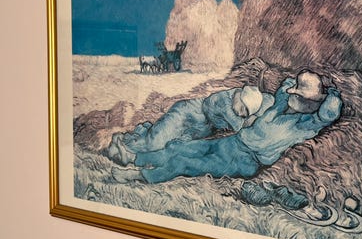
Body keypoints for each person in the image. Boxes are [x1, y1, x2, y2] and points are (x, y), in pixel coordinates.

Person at [112, 70, 343, 184]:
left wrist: (329, 93)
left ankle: (140, 176)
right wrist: (299, 88)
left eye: (303, 99)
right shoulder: (280, 104)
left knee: (184, 162)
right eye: (298, 95)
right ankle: (136, 158)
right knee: (177, 148)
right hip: (234, 142)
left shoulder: (304, 125)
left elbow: (329, 114)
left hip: (246, 160)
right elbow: (285, 86)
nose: (297, 99)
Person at [106, 85, 274, 166]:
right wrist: (253, 118)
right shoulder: (223, 101)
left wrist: (254, 112)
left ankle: (138, 137)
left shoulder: (239, 100)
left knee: (166, 149)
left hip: (197, 130)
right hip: (185, 115)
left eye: (246, 113)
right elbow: (240, 127)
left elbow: (269, 99)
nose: (243, 114)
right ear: (240, 97)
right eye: (243, 109)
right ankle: (123, 143)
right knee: (153, 143)